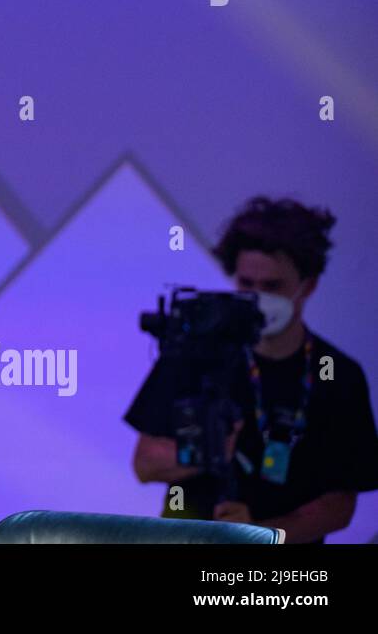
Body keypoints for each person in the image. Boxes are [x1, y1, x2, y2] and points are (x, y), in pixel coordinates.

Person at [126, 196, 378, 543]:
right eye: (246, 284)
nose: (257, 298)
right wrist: (210, 452)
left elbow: (339, 505)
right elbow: (146, 463)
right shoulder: (193, 352)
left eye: (272, 287)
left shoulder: (337, 374)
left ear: (309, 285)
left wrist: (259, 536)